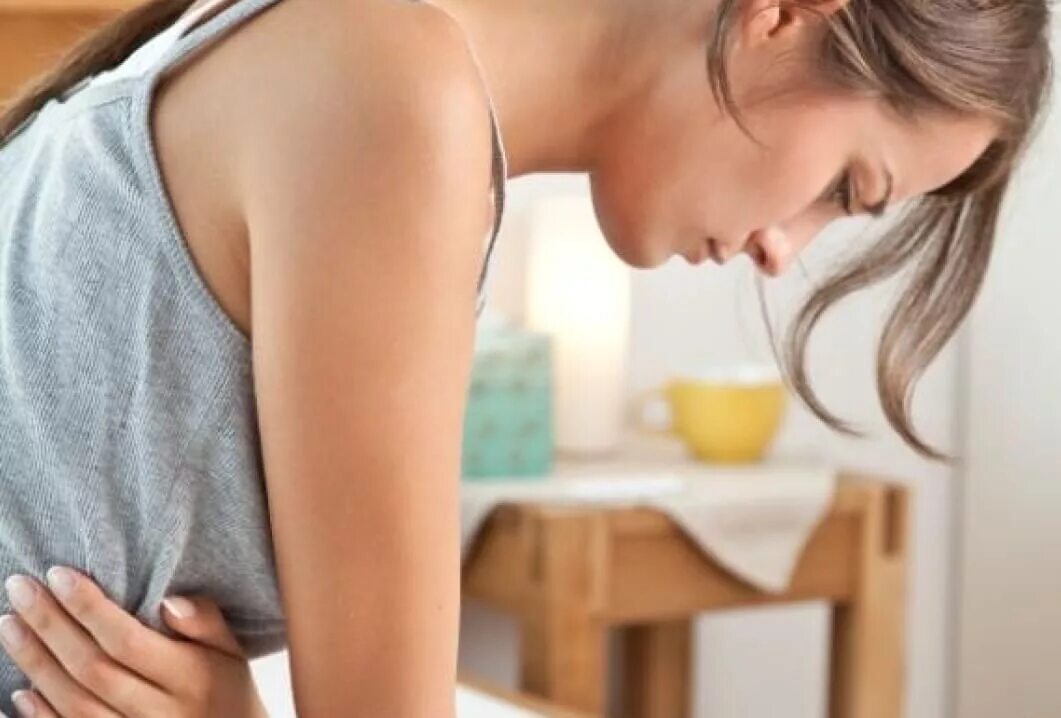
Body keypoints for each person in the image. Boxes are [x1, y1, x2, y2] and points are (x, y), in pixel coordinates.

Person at [0, 0, 1050, 714]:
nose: (786, 252)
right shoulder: (393, 96)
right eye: (846, 187)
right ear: (785, 12)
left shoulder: (376, 62)